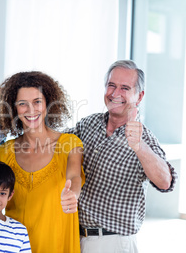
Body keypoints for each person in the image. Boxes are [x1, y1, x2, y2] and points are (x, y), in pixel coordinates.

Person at [68, 60, 177, 253]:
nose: (115, 93)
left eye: (125, 88)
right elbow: (55, 142)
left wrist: (139, 146)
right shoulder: (89, 124)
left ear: (139, 96)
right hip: (75, 238)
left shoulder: (146, 139)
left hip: (112, 243)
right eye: (111, 85)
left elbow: (165, 182)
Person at [0, 71, 83, 253]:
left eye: (37, 102)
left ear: (48, 104)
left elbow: (74, 175)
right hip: (14, 248)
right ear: (14, 108)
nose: (31, 110)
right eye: (22, 104)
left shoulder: (69, 143)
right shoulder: (3, 152)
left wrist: (72, 195)